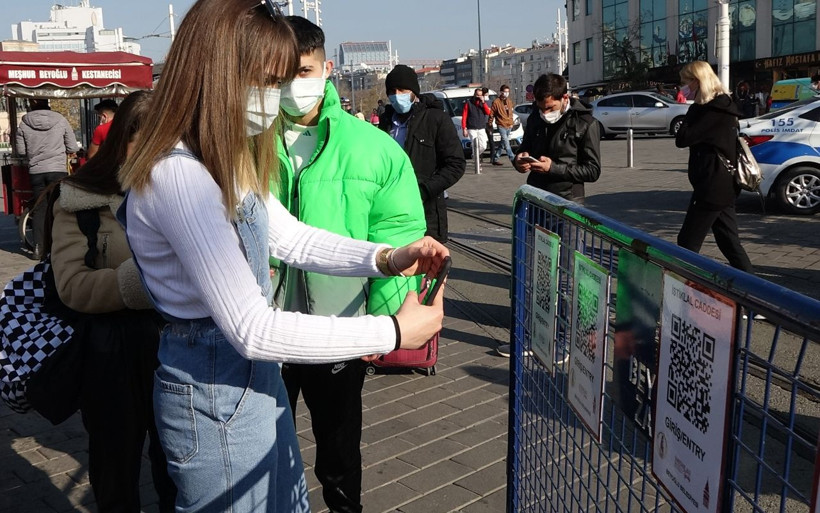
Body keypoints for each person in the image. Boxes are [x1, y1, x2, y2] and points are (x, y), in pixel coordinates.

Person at [117, 1, 447, 511]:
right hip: (214, 389)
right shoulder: (180, 174)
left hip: (251, 381)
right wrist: (394, 332)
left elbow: (290, 237)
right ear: (217, 70)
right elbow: (252, 327)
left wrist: (386, 257)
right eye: (265, 81)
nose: (274, 98)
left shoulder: (219, 155)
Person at [274, 16, 427, 513]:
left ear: (326, 68)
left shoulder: (372, 148)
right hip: (261, 325)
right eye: (278, 74)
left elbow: (396, 235)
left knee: (338, 448)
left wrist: (382, 325)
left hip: (338, 326)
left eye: (302, 70)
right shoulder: (242, 144)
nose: (292, 85)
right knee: (263, 447)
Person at [44, 90, 177, 512]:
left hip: (173, 344)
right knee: (115, 467)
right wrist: (140, 281)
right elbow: (72, 286)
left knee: (177, 463)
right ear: (123, 141)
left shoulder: (184, 192)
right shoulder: (79, 200)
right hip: (107, 349)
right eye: (148, 145)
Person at [500, 73, 601, 357]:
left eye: (550, 107)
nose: (545, 114)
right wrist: (520, 160)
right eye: (541, 107)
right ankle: (529, 336)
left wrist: (554, 168)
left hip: (569, 205)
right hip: (537, 202)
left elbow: (592, 170)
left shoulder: (586, 123)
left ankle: (563, 341)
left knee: (566, 278)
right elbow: (527, 148)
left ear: (564, 99)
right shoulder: (534, 118)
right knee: (531, 274)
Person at [675, 61, 754, 274]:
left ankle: (685, 287)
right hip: (722, 183)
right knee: (728, 241)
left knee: (687, 242)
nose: (683, 88)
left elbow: (682, 138)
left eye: (686, 82)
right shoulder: (721, 106)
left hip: (712, 186)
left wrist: (692, 109)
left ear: (698, 81)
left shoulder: (713, 110)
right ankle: (754, 291)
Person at [379, 64, 466, 243]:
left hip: (427, 211)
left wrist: (424, 190)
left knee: (427, 267)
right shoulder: (385, 123)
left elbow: (455, 164)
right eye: (392, 91)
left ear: (414, 92)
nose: (396, 95)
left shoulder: (436, 119)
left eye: (402, 90)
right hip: (389, 211)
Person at [15, 98, 79, 259]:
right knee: (58, 207)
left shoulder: (23, 124)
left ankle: (38, 248)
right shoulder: (61, 120)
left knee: (39, 209)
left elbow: (21, 151)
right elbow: (72, 147)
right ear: (49, 105)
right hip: (57, 170)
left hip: (36, 171)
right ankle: (61, 246)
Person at [462, 87, 492, 172]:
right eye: (477, 95)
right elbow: (464, 116)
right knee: (475, 144)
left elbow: (488, 112)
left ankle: (474, 155)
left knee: (483, 145)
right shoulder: (468, 103)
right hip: (472, 127)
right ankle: (477, 163)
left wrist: (483, 102)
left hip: (481, 127)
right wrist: (464, 128)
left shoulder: (483, 103)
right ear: (474, 94)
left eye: (480, 95)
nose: (478, 97)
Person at [490, 84, 515, 164]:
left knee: (503, 143)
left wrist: (511, 122)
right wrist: (490, 123)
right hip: (501, 124)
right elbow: (492, 113)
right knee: (506, 143)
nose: (506, 93)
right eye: (505, 92)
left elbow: (511, 113)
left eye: (508, 92)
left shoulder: (509, 101)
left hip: (509, 125)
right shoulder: (496, 102)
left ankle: (496, 157)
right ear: (501, 92)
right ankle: (513, 158)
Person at [482, 87, 497, 166]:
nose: (485, 95)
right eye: (484, 94)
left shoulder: (491, 102)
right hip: (481, 123)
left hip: (489, 123)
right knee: (481, 141)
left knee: (491, 140)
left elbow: (493, 112)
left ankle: (492, 157)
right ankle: (480, 156)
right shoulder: (480, 102)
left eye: (486, 93)